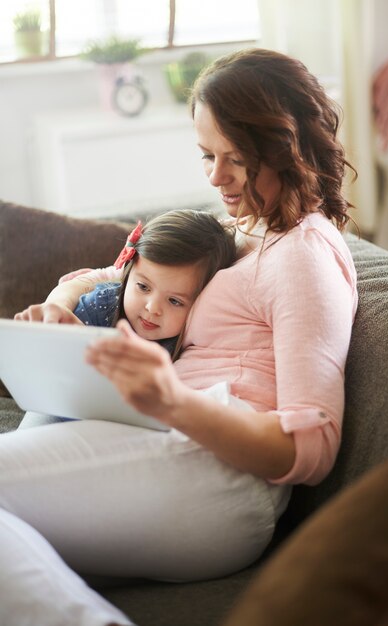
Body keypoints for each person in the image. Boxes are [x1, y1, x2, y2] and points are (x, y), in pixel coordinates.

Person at [1, 47, 358, 626]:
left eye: (235, 158)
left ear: (285, 149)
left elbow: (311, 448)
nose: (215, 177)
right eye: (206, 156)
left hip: (213, 473)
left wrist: (173, 401)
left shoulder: (305, 256)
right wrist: (61, 305)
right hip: (160, 442)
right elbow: (117, 274)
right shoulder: (241, 230)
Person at [70, 209, 237, 357]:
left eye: (175, 301)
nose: (152, 308)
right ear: (128, 273)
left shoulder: (192, 347)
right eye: (143, 287)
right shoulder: (99, 306)